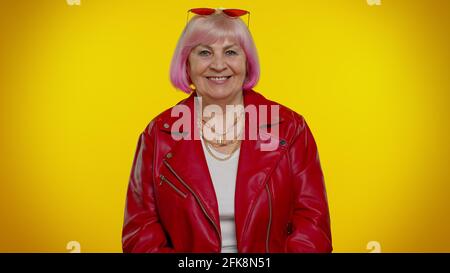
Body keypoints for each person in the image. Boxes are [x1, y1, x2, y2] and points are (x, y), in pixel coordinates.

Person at [122, 8, 332, 253]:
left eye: (231, 52)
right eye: (204, 53)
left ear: (246, 62)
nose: (219, 65)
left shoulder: (290, 127)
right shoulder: (158, 134)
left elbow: (312, 223)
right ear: (186, 65)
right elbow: (141, 232)